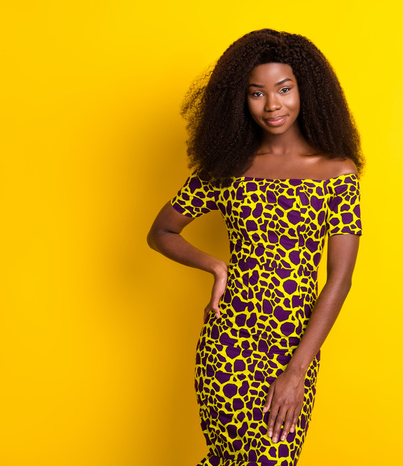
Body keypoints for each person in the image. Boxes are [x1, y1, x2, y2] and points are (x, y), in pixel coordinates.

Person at [147, 28, 364, 466]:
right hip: (227, 346)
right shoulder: (229, 170)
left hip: (291, 348)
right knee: (229, 459)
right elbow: (161, 232)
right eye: (257, 93)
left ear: (306, 91)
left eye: (284, 89)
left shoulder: (338, 173)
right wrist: (215, 266)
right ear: (240, 101)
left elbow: (340, 278)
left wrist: (297, 371)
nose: (272, 105)